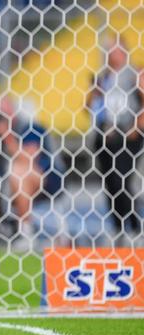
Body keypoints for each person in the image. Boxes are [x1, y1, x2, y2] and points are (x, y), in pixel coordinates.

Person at [0, 98, 64, 251]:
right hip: (6, 184)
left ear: (11, 113)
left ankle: (26, 232)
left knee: (18, 172)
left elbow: (29, 158)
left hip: (43, 180)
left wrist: (8, 136)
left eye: (1, 116)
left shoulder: (30, 127)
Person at [86, 35, 144, 245]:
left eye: (115, 50)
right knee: (110, 182)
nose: (111, 54)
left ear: (124, 52)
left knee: (122, 180)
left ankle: (135, 228)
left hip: (127, 135)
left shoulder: (135, 74)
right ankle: (118, 229)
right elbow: (89, 108)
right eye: (109, 50)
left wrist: (136, 126)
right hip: (104, 135)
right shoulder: (104, 77)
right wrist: (94, 91)